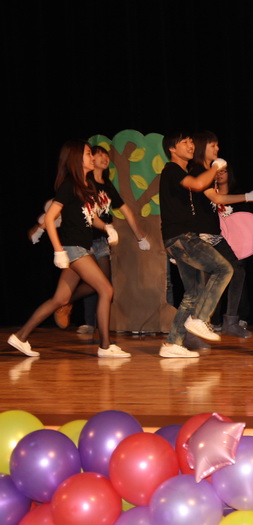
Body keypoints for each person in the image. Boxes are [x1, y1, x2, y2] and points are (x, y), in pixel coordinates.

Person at [8, 140, 130, 358]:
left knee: (61, 299)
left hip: (81, 247)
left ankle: (20, 336)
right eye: (88, 153)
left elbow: (90, 217)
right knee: (106, 289)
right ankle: (105, 346)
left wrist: (107, 227)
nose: (92, 157)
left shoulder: (86, 186)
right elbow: (50, 218)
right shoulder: (69, 185)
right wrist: (58, 250)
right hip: (73, 248)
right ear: (76, 158)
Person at [159, 131, 234, 358]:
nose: (190, 145)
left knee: (192, 293)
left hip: (181, 239)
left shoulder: (182, 172)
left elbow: (208, 192)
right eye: (184, 142)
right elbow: (199, 184)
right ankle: (200, 318)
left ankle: (172, 343)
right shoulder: (171, 169)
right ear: (172, 149)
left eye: (191, 142)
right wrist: (215, 166)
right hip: (181, 238)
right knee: (224, 268)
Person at [70, 145, 151, 335]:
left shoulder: (107, 185)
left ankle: (67, 302)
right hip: (84, 239)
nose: (104, 158)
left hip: (101, 240)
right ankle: (85, 319)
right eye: (98, 155)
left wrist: (140, 236)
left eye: (106, 155)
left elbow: (126, 210)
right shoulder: (86, 182)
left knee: (102, 281)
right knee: (95, 282)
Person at [189, 130, 253, 339]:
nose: (217, 149)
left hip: (214, 234)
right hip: (200, 236)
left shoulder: (208, 172)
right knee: (203, 282)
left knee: (237, 270)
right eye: (213, 145)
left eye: (217, 145)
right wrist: (247, 196)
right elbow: (217, 199)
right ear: (202, 147)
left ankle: (231, 321)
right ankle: (199, 325)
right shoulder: (198, 171)